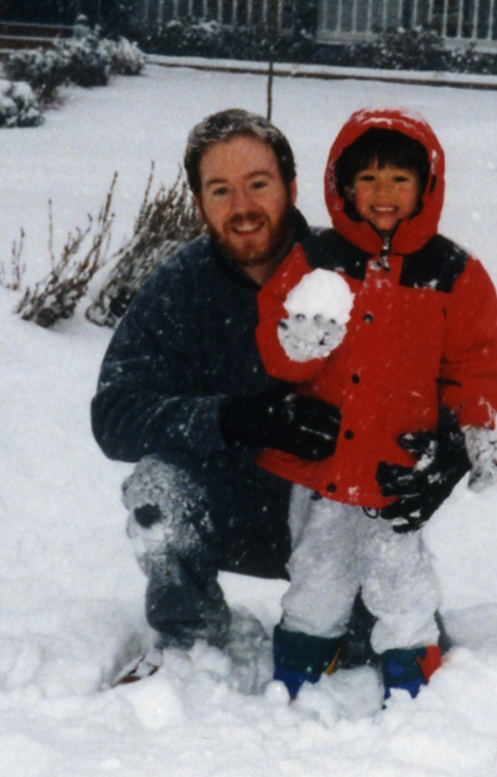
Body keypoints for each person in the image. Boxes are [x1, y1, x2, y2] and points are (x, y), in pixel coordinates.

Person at [254, 107, 497, 699]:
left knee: (401, 576)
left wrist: (472, 430)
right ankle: (301, 658)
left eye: (399, 178)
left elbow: (475, 360)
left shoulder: (451, 270)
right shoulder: (316, 258)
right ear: (344, 186)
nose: (383, 193)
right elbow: (277, 343)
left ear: (426, 185)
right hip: (324, 466)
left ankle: (412, 667)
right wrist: (297, 344)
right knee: (317, 571)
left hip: (401, 466)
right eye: (367, 179)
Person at [91, 109, 345, 683]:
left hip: (332, 508)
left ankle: (354, 636)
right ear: (199, 202)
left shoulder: (343, 268)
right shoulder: (180, 286)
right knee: (156, 490)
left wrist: (448, 450)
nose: (243, 206)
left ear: (291, 187)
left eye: (259, 184)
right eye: (221, 190)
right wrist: (232, 418)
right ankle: (188, 646)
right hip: (227, 509)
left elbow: (429, 375)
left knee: (380, 634)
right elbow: (114, 414)